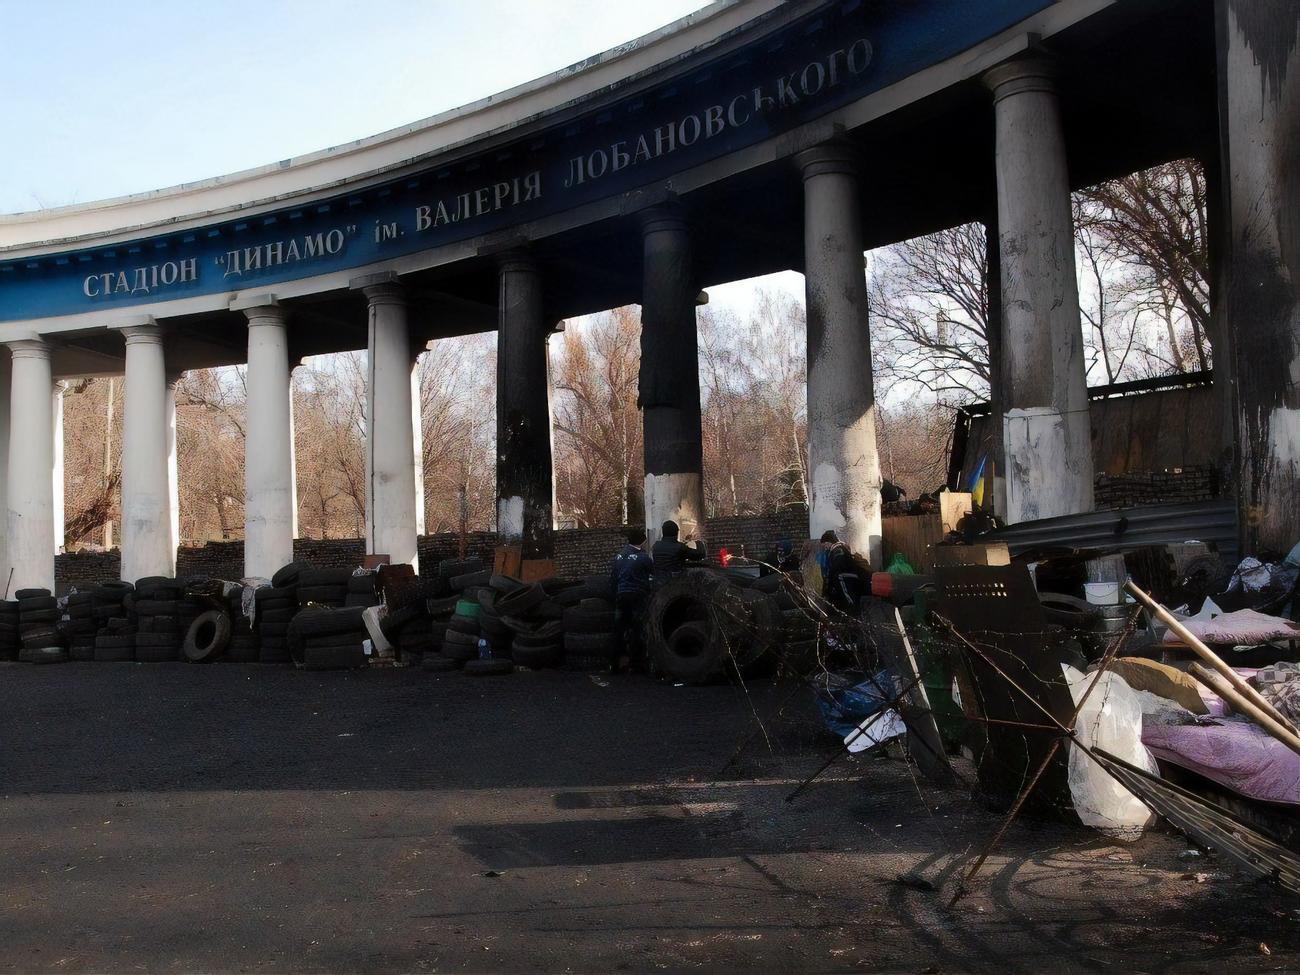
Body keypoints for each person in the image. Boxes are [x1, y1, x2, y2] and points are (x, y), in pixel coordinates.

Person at [610, 526, 653, 666]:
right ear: (641, 541)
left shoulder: (619, 556)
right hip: (638, 596)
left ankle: (615, 663)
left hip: (621, 595)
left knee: (618, 629)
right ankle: (636, 663)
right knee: (637, 628)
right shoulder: (643, 558)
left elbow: (614, 578)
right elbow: (652, 575)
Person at [819, 530, 863, 612]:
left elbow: (838, 566)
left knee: (838, 577)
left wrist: (830, 578)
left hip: (848, 575)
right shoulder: (836, 549)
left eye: (825, 544)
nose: (825, 547)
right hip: (849, 574)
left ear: (829, 542)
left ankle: (851, 606)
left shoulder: (838, 550)